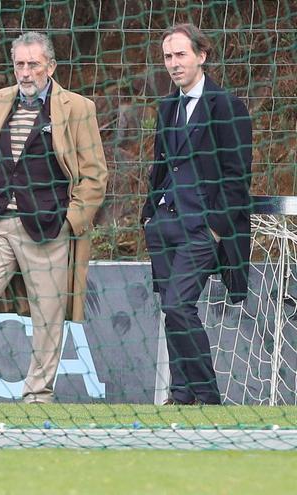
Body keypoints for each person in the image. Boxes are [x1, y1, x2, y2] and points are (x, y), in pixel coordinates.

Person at [0, 32, 108, 405]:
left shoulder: (77, 108)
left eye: (33, 65)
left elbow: (94, 176)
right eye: (20, 65)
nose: (25, 73)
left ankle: (38, 394)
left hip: (48, 228)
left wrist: (70, 221)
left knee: (48, 314)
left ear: (51, 67)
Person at [140, 24, 252, 406]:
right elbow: (162, 165)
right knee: (172, 309)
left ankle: (206, 393)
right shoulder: (167, 106)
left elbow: (238, 176)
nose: (174, 64)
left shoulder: (227, 106)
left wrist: (217, 229)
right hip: (166, 223)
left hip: (202, 227)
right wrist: (150, 216)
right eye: (168, 57)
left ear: (201, 56)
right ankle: (183, 393)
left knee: (177, 304)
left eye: (181, 55)